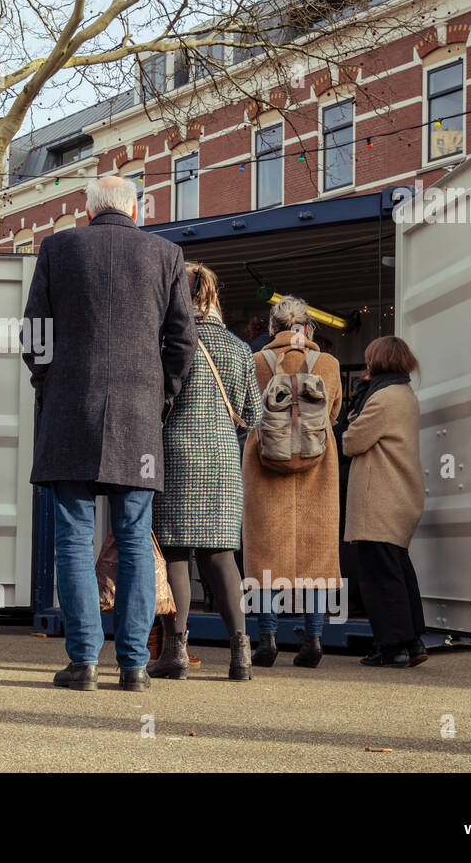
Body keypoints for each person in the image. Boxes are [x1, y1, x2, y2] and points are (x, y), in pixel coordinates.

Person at [22, 175, 196, 692]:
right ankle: (135, 665)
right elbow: (182, 340)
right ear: (135, 210)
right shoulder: (166, 254)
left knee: (73, 540)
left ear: (89, 211)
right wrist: (161, 394)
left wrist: (47, 381)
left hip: (69, 412)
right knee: (136, 539)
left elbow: (35, 333)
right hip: (139, 417)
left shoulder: (57, 248)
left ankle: (83, 663)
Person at [150, 263, 263, 681]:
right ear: (214, 298)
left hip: (175, 456)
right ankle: (241, 656)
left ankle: (175, 653)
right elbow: (252, 413)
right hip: (222, 462)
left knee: (176, 555)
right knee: (221, 557)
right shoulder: (239, 349)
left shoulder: (170, 342)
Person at [242, 295, 343, 669]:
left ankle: (266, 639)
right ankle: (313, 639)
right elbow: (333, 413)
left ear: (273, 328)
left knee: (265, 555)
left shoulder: (257, 363)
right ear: (308, 328)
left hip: (265, 468)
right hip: (319, 470)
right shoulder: (328, 364)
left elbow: (246, 412)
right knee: (317, 557)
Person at [341, 336, 427, 667]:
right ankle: (414, 640)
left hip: (379, 497)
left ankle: (393, 646)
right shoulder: (405, 393)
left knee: (378, 575)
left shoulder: (383, 398)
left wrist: (352, 416)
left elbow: (353, 441)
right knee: (399, 569)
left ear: (378, 361)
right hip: (401, 495)